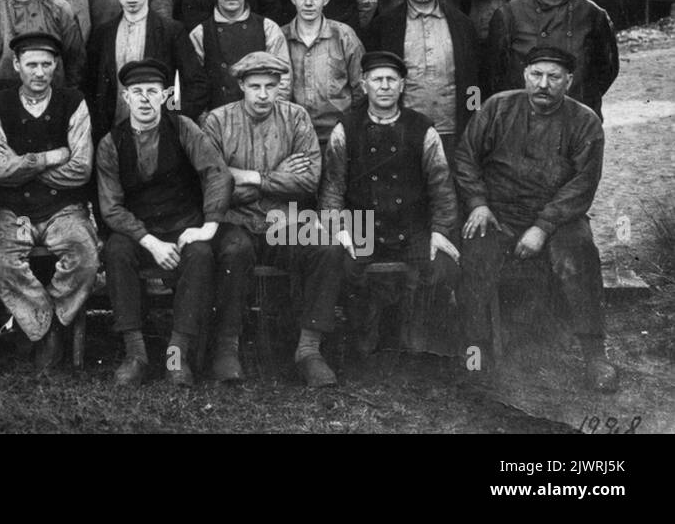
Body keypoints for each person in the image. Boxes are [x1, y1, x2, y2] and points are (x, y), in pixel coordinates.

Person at [454, 46, 618, 392]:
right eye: (536, 74)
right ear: (524, 75)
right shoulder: (497, 107)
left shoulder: (585, 121)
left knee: (579, 253)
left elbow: (582, 185)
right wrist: (478, 203)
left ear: (569, 81)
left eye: (554, 77)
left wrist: (542, 227)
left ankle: (595, 355)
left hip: (559, 217)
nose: (544, 84)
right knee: (475, 253)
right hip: (497, 212)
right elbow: (466, 158)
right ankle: (475, 351)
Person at [97, 59, 245, 386]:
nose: (146, 99)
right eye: (138, 92)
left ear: (165, 95)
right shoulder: (111, 143)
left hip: (184, 226)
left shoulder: (183, 128)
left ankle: (177, 355)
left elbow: (216, 174)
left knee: (202, 253)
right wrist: (148, 240)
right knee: (116, 250)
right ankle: (135, 354)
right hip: (141, 232)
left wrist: (208, 225)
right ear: (126, 98)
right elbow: (111, 207)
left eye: (153, 91)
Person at [200, 52, 343, 387]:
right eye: (255, 87)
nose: (263, 94)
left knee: (327, 248)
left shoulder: (296, 118)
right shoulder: (217, 121)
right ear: (241, 86)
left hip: (285, 221)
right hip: (235, 220)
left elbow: (308, 180)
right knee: (233, 251)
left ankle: (309, 349)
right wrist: (276, 178)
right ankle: (227, 347)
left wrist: (252, 178)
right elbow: (212, 185)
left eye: (270, 86)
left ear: (280, 86)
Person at [320, 51, 460, 356]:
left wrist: (440, 230)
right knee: (345, 264)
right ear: (364, 84)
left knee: (438, 265)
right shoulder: (346, 128)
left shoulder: (423, 129)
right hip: (362, 223)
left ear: (402, 85)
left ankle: (413, 330)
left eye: (391, 80)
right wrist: (340, 228)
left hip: (411, 222)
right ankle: (364, 329)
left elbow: (442, 186)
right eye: (377, 79)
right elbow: (332, 188)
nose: (384, 86)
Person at [0, 32, 98, 370]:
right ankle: (44, 328)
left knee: (84, 255)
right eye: (31, 64)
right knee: (0, 258)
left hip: (63, 208)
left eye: (47, 64)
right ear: (17, 65)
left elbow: (80, 169)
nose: (39, 72)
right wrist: (46, 159)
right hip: (13, 212)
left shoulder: (73, 102)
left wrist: (20, 166)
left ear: (56, 66)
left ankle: (42, 324)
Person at [362, 0, 482, 157]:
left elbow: (476, 79)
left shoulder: (463, 25)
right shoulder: (384, 25)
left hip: (451, 130)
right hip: (401, 129)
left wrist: (473, 117)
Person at [487, 0, 619, 119]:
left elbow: (607, 69)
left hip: (576, 114)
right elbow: (493, 72)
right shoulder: (509, 14)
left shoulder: (593, 14)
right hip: (523, 116)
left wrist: (583, 96)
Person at [86, 0, 201, 142]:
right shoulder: (103, 34)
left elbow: (196, 84)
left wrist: (173, 120)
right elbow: (90, 86)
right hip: (113, 134)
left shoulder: (171, 31)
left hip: (160, 133)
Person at [187, 0, 289, 113]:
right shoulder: (200, 34)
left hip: (263, 118)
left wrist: (271, 116)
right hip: (217, 123)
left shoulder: (268, 28)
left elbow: (283, 81)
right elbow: (193, 85)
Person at [280, 0, 364, 148]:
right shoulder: (280, 37)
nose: (308, 3)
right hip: (294, 137)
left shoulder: (343, 35)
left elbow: (360, 87)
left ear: (325, 0)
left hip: (338, 134)